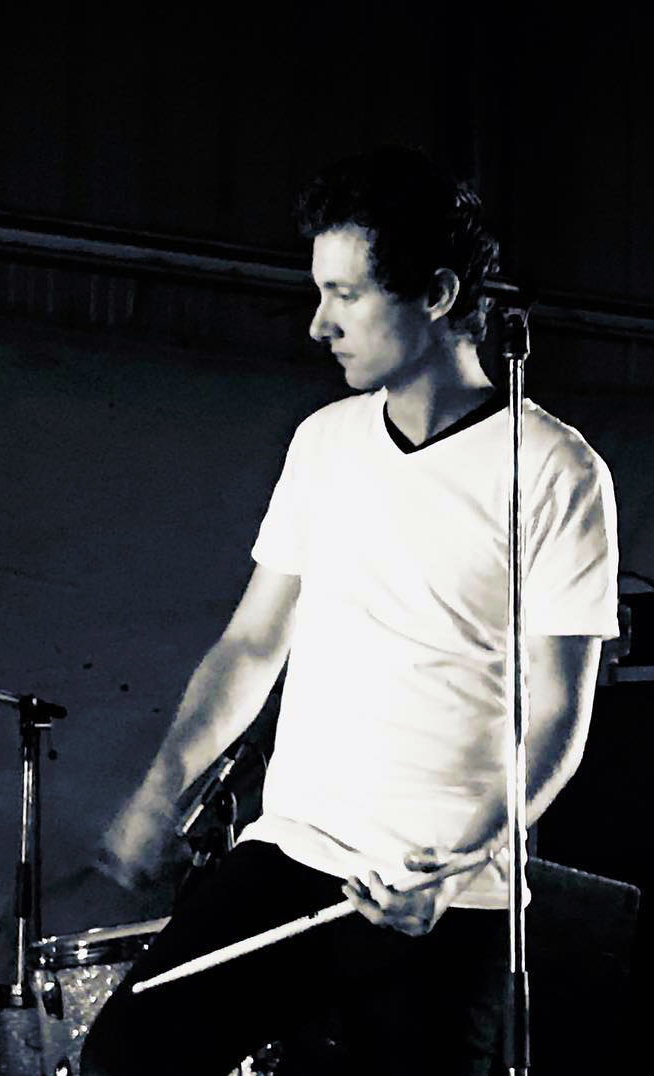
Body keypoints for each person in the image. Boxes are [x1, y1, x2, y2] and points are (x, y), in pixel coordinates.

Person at [81, 146, 619, 1075]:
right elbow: (252, 644)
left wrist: (455, 862)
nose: (318, 324)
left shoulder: (557, 470)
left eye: (346, 294)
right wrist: (160, 789)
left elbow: (559, 718)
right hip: (294, 851)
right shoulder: (324, 444)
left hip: (444, 891)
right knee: (126, 1056)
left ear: (440, 294)